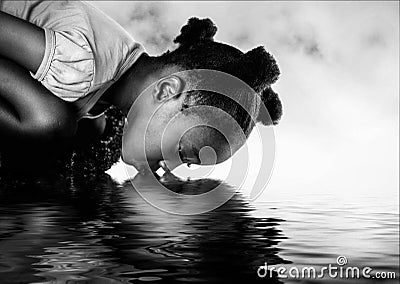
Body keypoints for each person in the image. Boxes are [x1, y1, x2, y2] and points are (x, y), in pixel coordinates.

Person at [0, 0, 282, 175]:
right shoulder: (78, 63)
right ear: (167, 91)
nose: (169, 167)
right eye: (184, 153)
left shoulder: (114, 69)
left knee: (88, 132)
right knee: (52, 122)